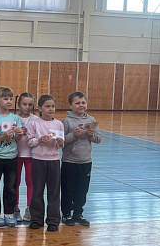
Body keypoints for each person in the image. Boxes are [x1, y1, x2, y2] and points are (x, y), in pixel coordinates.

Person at [61, 91, 102, 227]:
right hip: (69, 162)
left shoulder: (91, 120)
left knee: (82, 189)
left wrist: (91, 135)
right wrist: (73, 135)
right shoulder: (66, 121)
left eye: (83, 102)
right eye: (77, 103)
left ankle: (78, 213)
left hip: (86, 161)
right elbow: (61, 141)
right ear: (71, 105)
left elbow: (98, 139)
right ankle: (66, 213)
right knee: (68, 189)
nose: (81, 105)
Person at [26, 95, 64, 231]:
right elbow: (30, 141)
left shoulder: (59, 124)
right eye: (47, 106)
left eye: (53, 106)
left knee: (54, 192)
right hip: (38, 160)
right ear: (40, 108)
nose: (51, 109)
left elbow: (60, 145)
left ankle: (53, 221)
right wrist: (39, 141)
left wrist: (60, 143)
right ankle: (36, 219)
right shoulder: (34, 123)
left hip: (54, 161)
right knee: (37, 191)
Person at [0, 86, 23, 227]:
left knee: (11, 187)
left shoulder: (15, 118)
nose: (9, 101)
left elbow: (18, 140)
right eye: (5, 98)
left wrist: (19, 134)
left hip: (11, 157)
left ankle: (9, 212)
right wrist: (3, 136)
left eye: (11, 99)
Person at [15, 92, 38, 222]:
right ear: (19, 104)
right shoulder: (14, 118)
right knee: (15, 182)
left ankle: (30, 208)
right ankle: (15, 208)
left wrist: (29, 132)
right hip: (16, 154)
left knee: (30, 182)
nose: (27, 107)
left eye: (30, 104)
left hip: (31, 155)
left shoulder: (35, 119)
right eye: (24, 104)